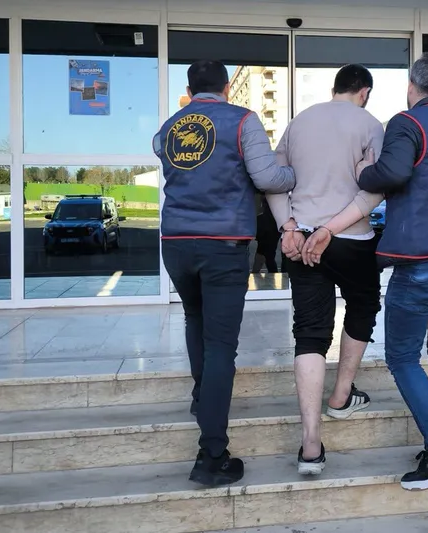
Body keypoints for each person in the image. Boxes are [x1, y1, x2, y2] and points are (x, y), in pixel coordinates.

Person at [304, 53, 428, 490]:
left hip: (424, 264)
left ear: (411, 86)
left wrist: (365, 171)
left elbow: (394, 173)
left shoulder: (408, 122)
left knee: (402, 357)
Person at [153, 60, 295, 487]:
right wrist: (295, 173)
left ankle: (203, 399)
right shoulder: (242, 121)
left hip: (176, 243)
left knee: (194, 318)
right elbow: (267, 177)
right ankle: (211, 455)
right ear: (227, 87)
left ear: (190, 88)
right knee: (220, 346)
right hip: (224, 244)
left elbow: (161, 150)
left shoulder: (171, 127)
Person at [266, 64, 384, 475]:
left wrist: (288, 227)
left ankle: (311, 445)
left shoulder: (299, 122)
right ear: (364, 92)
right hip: (351, 239)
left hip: (302, 240)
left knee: (310, 332)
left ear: (335, 88)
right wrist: (332, 229)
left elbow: (274, 180)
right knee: (363, 307)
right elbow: (376, 188)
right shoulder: (371, 125)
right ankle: (340, 396)